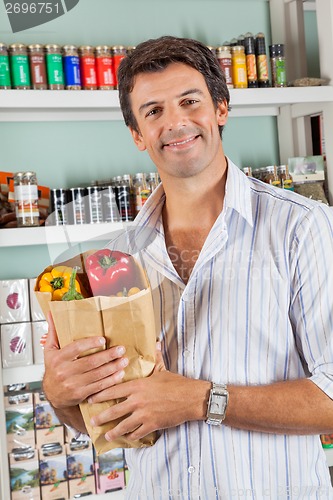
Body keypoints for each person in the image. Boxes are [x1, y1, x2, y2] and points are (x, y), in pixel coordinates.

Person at [43, 36, 333, 499]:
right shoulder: (113, 260)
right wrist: (62, 396)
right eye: (153, 111)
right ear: (138, 134)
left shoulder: (302, 227)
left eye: (190, 101)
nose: (175, 122)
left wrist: (199, 400)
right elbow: (107, 421)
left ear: (220, 107)